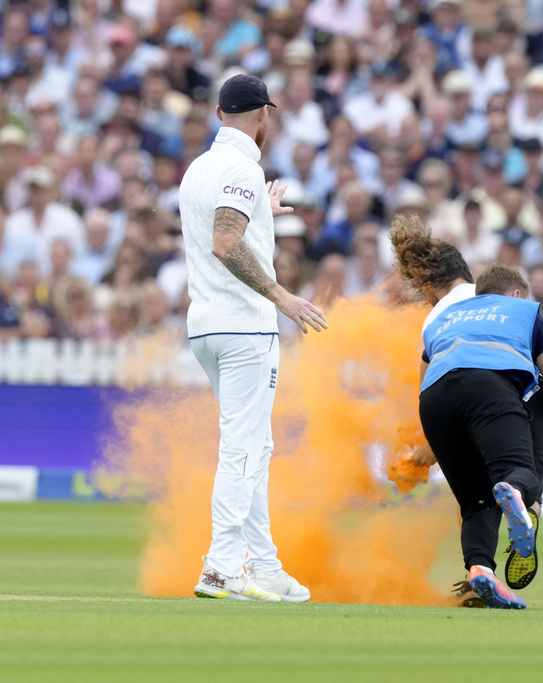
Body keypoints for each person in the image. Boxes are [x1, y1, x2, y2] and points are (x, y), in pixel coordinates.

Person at [180, 74, 328, 603]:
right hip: (245, 324)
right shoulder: (243, 168)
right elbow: (226, 241)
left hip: (208, 325)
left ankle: (263, 567)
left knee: (255, 445)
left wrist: (263, 211)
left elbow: (221, 227)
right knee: (243, 447)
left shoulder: (201, 167)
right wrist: (282, 297)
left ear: (220, 114)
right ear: (263, 115)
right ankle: (221, 565)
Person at [390, 217, 543, 610]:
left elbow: (428, 386)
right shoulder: (518, 309)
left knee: (475, 502)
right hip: (495, 391)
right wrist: (537, 443)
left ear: (425, 283)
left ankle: (479, 575)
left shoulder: (437, 318)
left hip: (437, 401)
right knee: (517, 476)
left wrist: (430, 447)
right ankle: (526, 500)